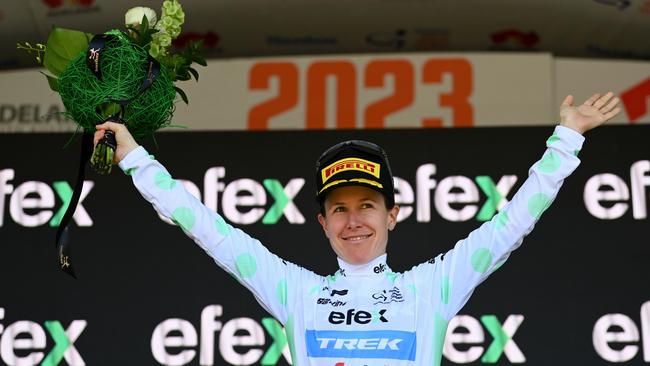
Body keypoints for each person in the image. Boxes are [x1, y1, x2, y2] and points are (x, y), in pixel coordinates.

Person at [95, 92, 620, 365]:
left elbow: (513, 224)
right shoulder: (294, 292)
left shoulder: (431, 287)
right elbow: (207, 228)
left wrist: (567, 139)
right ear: (322, 223)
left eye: (368, 205)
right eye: (340, 209)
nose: (354, 220)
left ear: (392, 215)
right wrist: (135, 158)